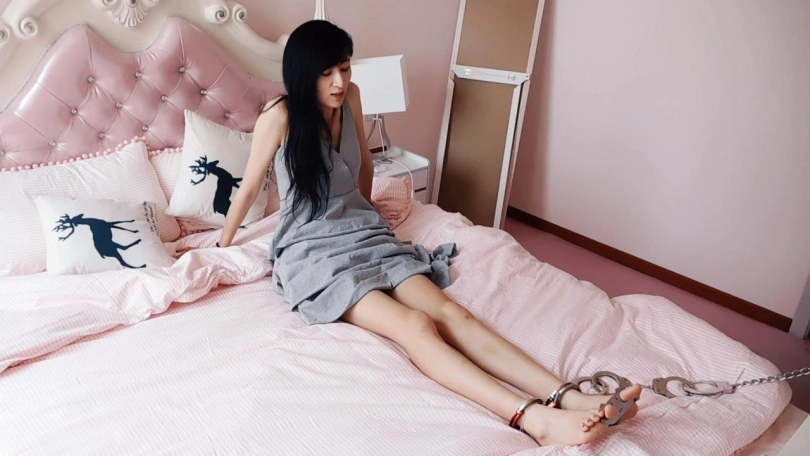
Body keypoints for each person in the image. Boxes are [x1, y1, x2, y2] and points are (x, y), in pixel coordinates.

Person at [217, 19, 642, 446]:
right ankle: (533, 420)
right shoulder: (280, 116)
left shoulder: (352, 97)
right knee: (415, 325)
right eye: (326, 73)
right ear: (303, 74)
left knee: (454, 315)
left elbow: (365, 163)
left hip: (361, 231)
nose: (339, 82)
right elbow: (249, 187)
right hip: (312, 250)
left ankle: (570, 397)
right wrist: (221, 244)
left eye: (344, 68)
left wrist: (369, 216)